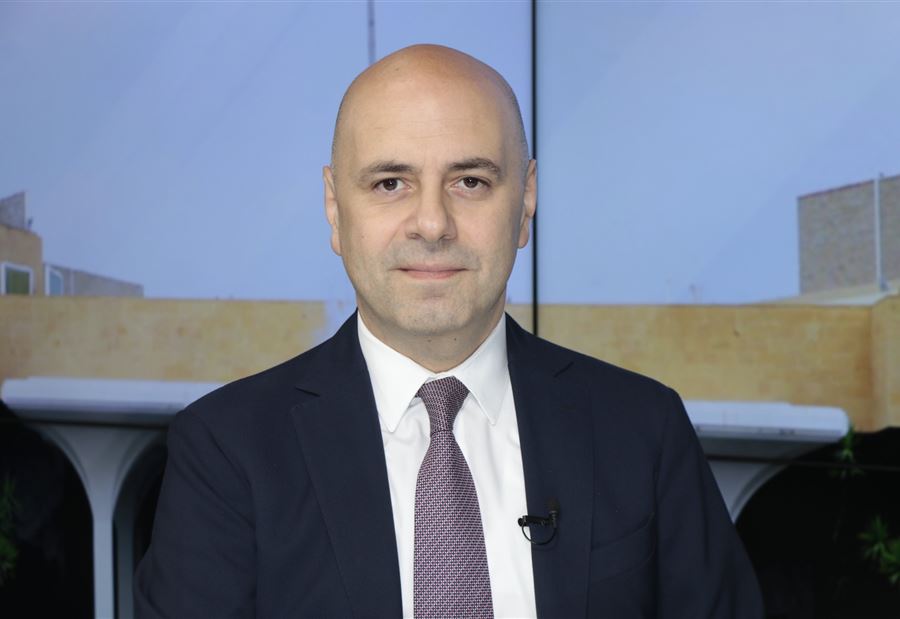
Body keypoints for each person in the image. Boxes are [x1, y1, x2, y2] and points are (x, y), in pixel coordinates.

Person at [135, 44, 763, 618]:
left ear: (525, 202)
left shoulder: (643, 429)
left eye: (470, 182)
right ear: (334, 207)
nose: (432, 223)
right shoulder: (225, 450)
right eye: (390, 183)